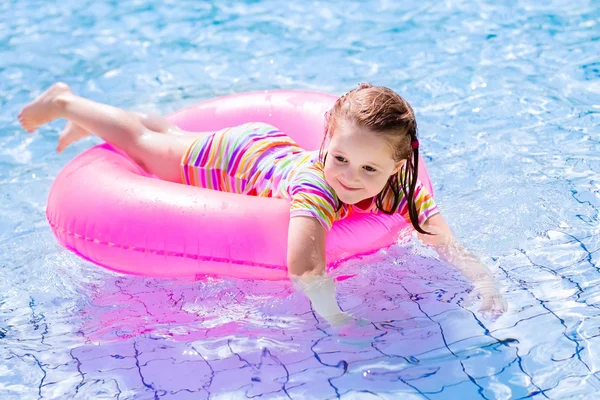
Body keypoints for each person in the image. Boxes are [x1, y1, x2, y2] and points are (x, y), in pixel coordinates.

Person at [18, 82, 507, 325]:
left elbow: (439, 235)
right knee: (147, 144)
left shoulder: (403, 185)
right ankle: (64, 101)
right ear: (324, 142)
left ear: (397, 168)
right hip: (237, 157)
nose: (349, 178)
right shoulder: (318, 189)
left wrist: (481, 280)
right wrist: (336, 316)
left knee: (165, 134)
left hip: (270, 155)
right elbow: (305, 267)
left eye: (368, 169)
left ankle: (143, 123)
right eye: (338, 157)